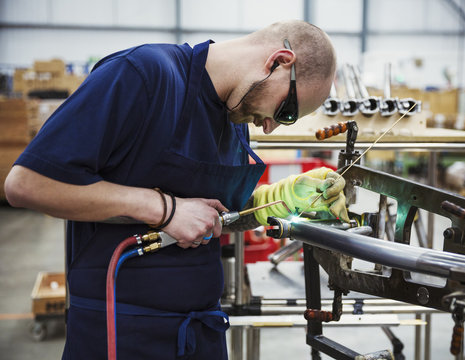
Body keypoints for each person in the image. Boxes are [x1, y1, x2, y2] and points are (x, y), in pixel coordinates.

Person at [4, 20, 347, 359]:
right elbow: (27, 184)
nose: (270, 127)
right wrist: (162, 209)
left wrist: (277, 200)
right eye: (286, 111)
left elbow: (216, 216)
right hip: (121, 332)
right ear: (278, 62)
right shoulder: (143, 75)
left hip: (201, 332)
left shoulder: (234, 117)